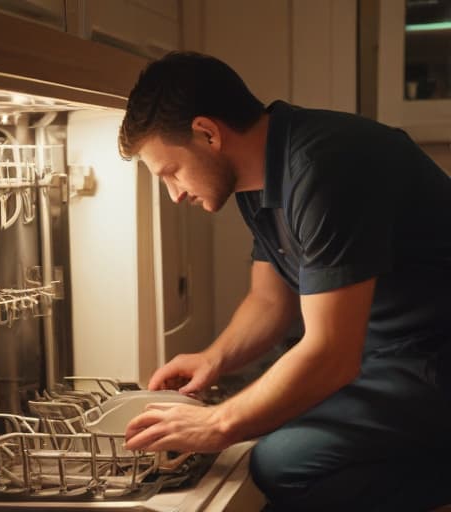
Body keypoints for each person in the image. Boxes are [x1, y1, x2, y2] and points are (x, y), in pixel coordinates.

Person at [119, 51, 451, 511]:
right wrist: (213, 359)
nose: (174, 194)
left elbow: (332, 355)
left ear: (207, 133)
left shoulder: (326, 166)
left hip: (432, 358)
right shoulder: (261, 178)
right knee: (263, 413)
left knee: (281, 462)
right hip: (387, 356)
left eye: (170, 172)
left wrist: (217, 425)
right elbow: (270, 301)